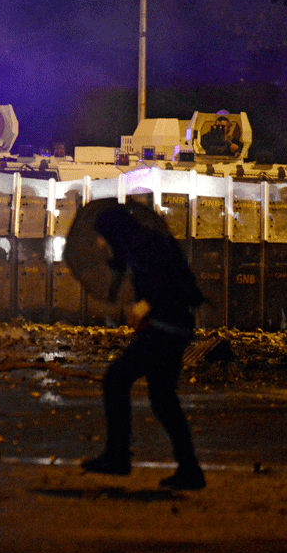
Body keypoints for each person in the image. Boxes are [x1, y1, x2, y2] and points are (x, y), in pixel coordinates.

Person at [80, 201, 207, 491]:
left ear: (113, 231)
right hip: (169, 327)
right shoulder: (137, 247)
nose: (100, 242)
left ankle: (118, 457)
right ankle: (189, 469)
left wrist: (147, 305)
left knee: (117, 380)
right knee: (162, 398)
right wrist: (143, 309)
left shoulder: (146, 246)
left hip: (168, 329)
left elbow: (179, 284)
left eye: (101, 235)